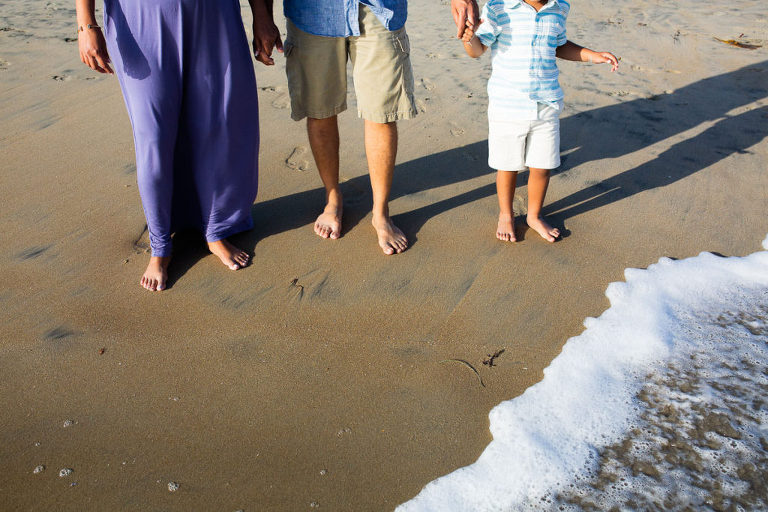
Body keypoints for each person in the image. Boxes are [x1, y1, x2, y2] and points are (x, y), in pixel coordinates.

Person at [75, 0, 282, 291]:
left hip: (214, 18)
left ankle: (215, 228)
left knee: (217, 127)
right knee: (154, 138)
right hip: (139, 24)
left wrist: (262, 15)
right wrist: (86, 24)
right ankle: (160, 246)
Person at [460, 0, 618, 242]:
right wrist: (469, 38)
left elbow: (560, 45)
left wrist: (591, 55)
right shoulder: (500, 7)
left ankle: (534, 215)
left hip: (547, 103)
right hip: (508, 104)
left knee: (542, 165)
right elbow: (478, 49)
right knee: (508, 166)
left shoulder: (560, 7)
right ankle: (505, 214)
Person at [280, 0, 417, 255]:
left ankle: (381, 212)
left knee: (382, 113)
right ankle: (332, 199)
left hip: (380, 10)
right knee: (320, 111)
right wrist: (262, 17)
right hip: (312, 11)